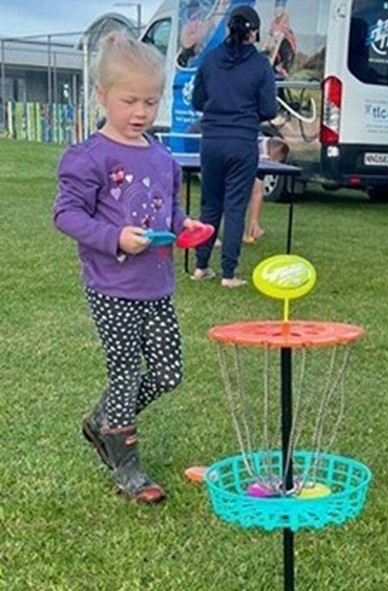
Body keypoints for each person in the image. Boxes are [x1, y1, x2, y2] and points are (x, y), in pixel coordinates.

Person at [53, 33, 198, 503]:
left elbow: (167, 209)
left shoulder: (161, 155)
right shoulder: (89, 156)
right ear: (103, 95)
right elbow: (66, 214)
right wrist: (114, 237)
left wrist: (185, 224)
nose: (140, 111)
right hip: (112, 284)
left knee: (168, 371)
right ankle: (127, 466)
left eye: (151, 101)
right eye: (129, 100)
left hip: (156, 284)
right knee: (124, 371)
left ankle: (103, 422)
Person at [191, 5, 277, 287]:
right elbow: (268, 109)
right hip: (242, 143)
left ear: (229, 28)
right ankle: (228, 274)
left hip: (212, 141)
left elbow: (197, 101)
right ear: (254, 33)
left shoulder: (211, 59)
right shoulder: (261, 65)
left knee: (210, 205)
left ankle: (201, 267)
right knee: (235, 207)